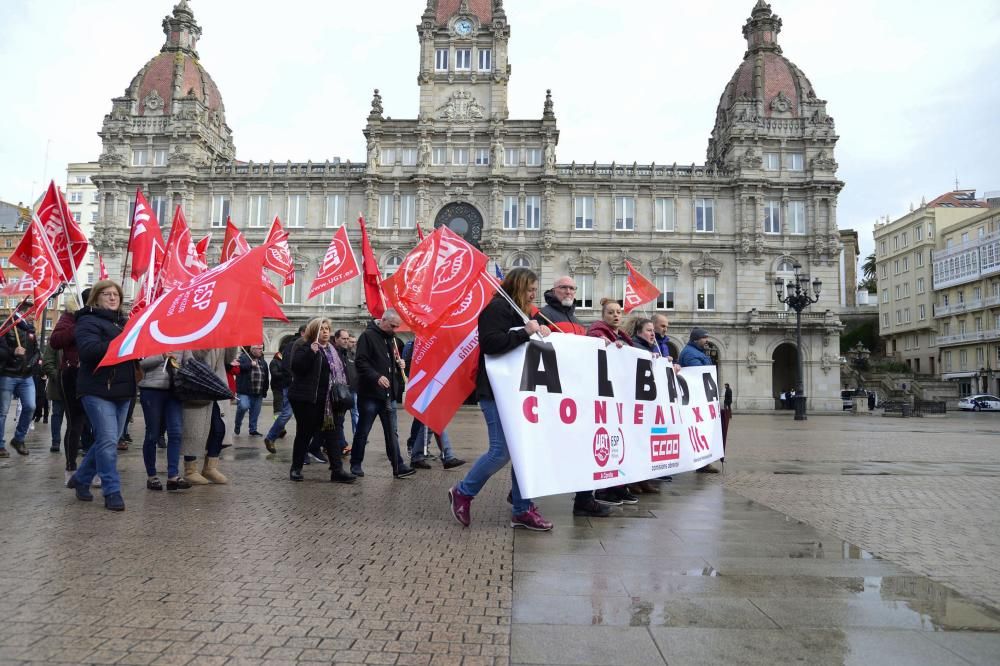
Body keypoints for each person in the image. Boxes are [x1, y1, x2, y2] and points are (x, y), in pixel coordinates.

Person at [449, 267, 554, 531]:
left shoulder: (522, 313)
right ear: (518, 286)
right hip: (496, 392)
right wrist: (525, 333)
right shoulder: (497, 309)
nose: (534, 294)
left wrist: (542, 332)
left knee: (522, 450)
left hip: (518, 392)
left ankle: (522, 508)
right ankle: (463, 491)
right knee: (501, 451)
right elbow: (490, 343)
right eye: (530, 289)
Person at [533, 275, 609, 518]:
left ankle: (585, 499)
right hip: (551, 395)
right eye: (564, 287)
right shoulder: (541, 315)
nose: (568, 291)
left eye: (572, 288)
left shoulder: (576, 320)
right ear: (553, 290)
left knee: (582, 446)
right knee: (545, 446)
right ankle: (522, 490)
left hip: (575, 394)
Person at [65, 281, 134, 511]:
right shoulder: (86, 320)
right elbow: (89, 351)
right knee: (106, 440)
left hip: (123, 389)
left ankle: (81, 478)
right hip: (96, 388)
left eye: (116, 294)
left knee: (110, 440)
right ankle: (111, 490)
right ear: (96, 297)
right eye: (107, 294)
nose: (113, 298)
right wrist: (121, 342)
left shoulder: (125, 323)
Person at [286, 317, 355, 483]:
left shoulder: (332, 349)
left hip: (328, 402)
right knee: (304, 434)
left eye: (327, 329)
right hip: (307, 400)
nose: (325, 332)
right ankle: (296, 468)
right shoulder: (302, 345)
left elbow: (340, 371)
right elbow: (296, 368)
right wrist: (311, 352)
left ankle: (337, 471)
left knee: (332, 435)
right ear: (314, 330)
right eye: (322, 329)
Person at [349, 310, 414, 479]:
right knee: (363, 430)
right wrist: (376, 376)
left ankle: (398, 465)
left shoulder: (390, 338)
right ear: (383, 320)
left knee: (392, 432)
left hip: (388, 395)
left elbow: (387, 362)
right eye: (392, 326)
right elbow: (361, 361)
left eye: (396, 327)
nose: (394, 329)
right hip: (370, 393)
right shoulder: (367, 336)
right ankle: (356, 464)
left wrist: (399, 364)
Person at [587, 299, 639, 505]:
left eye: (619, 312)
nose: (616, 315)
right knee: (606, 444)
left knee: (620, 443)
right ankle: (603, 489)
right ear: (603, 315)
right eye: (611, 312)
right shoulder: (597, 332)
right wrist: (605, 345)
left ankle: (619, 485)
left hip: (621, 398)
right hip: (604, 396)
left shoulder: (624, 337)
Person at [401, 338, 466, 471]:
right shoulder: (414, 344)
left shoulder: (434, 343)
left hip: (434, 385)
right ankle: (444, 456)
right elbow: (410, 367)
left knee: (432, 423)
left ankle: (420, 456)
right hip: (424, 386)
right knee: (433, 423)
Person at [179, 347, 237, 485]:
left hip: (217, 386)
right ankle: (190, 469)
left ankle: (210, 467)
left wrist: (232, 343)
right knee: (195, 429)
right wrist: (210, 340)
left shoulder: (220, 336)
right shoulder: (197, 333)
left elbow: (229, 360)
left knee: (219, 428)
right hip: (198, 386)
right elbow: (195, 357)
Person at [50, 291, 90, 476]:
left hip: (97, 376)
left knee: (97, 425)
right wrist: (78, 325)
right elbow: (56, 341)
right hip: (73, 374)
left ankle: (92, 468)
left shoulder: (104, 317)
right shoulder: (69, 317)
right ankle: (71, 466)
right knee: (76, 422)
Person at [138, 353, 190, 491]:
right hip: (151, 389)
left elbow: (189, 363)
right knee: (152, 434)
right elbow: (142, 364)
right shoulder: (150, 336)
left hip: (174, 390)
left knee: (176, 432)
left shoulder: (182, 339)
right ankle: (152, 476)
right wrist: (162, 356)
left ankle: (173, 475)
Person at [0, 301, 40, 458]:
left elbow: (36, 351)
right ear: (23, 312)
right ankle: (0, 445)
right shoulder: (6, 326)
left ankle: (19, 438)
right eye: (32, 313)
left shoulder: (30, 330)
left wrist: (32, 363)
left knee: (30, 406)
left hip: (26, 375)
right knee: (2, 412)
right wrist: (13, 352)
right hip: (8, 374)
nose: (34, 316)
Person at [679, 327, 720, 474]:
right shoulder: (690, 353)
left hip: (702, 397)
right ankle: (700, 462)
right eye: (704, 337)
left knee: (704, 430)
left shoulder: (698, 352)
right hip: (697, 398)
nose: (706, 340)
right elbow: (697, 374)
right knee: (698, 430)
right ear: (696, 339)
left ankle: (704, 462)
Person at [233, 345, 268, 437]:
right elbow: (238, 368)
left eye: (262, 348)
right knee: (243, 406)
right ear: (253, 349)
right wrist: (250, 365)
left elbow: (266, 377)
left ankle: (253, 429)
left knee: (255, 412)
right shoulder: (243, 357)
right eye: (259, 348)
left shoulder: (263, 361)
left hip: (258, 391)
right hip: (244, 391)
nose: (261, 350)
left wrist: (265, 390)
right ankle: (237, 424)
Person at [264, 347, 292, 454]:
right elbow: (274, 374)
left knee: (284, 411)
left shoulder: (284, 360)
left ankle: (280, 429)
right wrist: (286, 374)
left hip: (286, 386)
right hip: (278, 388)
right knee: (280, 410)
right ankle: (279, 430)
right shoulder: (274, 361)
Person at [40, 341, 65, 454]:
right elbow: (47, 363)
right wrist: (58, 376)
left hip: (75, 385)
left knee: (75, 417)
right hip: (58, 385)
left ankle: (75, 440)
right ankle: (56, 441)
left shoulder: (79, 336)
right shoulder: (55, 340)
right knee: (57, 413)